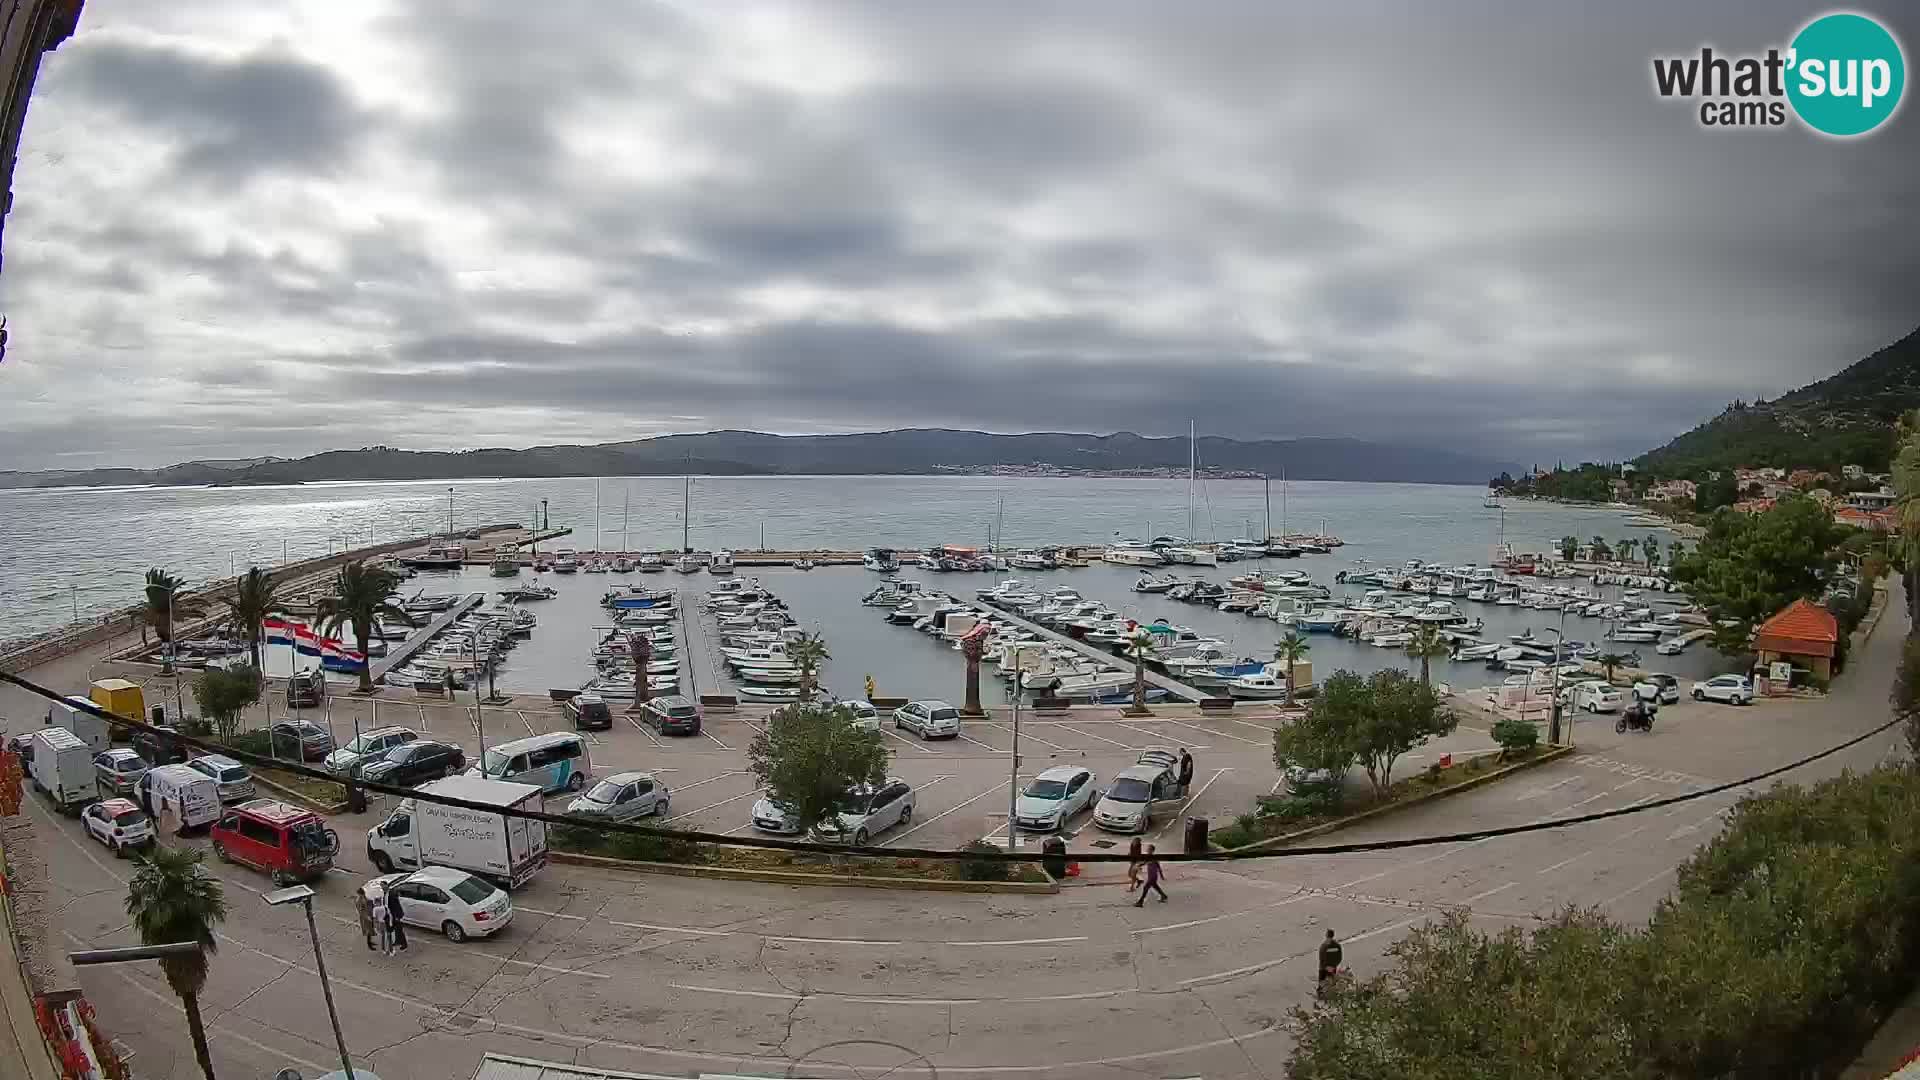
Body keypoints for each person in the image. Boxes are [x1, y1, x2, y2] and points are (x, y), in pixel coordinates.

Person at [1318, 929, 1344, 994]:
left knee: (1321, 985)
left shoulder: (1323, 946)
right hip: (1332, 968)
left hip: (1323, 969)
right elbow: (1339, 958)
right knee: (1331, 985)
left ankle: (1320, 997)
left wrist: (1326, 967)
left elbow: (1321, 958)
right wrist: (1333, 966)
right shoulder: (1337, 945)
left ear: (1326, 935)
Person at [385, 883, 409, 952]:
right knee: (393, 929)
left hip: (395, 915)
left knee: (398, 929)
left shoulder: (392, 895)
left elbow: (396, 906)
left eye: (383, 886)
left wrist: (397, 916)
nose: (382, 887)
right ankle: (397, 941)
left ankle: (404, 944)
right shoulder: (386, 894)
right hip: (390, 915)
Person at [356, 885, 376, 950]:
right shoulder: (359, 900)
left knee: (371, 929)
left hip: (369, 915)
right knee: (368, 931)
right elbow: (361, 911)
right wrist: (367, 917)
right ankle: (369, 945)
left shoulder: (364, 897)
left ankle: (370, 941)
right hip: (365, 918)